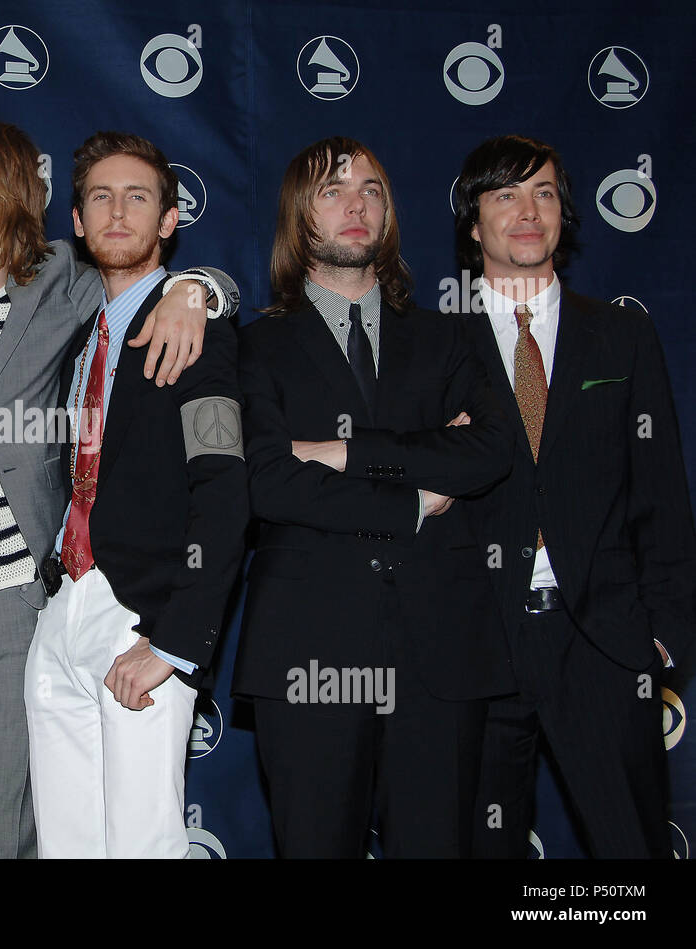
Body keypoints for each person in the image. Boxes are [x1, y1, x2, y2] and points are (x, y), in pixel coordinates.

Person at [0, 117, 238, 858]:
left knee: (21, 832)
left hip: (28, 607)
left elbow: (165, 275)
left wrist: (198, 288)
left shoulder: (62, 282)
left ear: (13, 191)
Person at [233, 136, 513, 857]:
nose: (355, 204)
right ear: (301, 215)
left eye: (371, 191)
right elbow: (265, 478)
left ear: (388, 215)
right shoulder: (253, 346)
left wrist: (344, 451)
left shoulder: (455, 338)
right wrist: (414, 497)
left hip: (441, 650)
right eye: (332, 190)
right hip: (307, 650)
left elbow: (486, 451)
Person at [455, 134, 696, 858]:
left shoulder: (622, 335)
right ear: (473, 223)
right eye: (506, 194)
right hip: (475, 645)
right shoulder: (433, 343)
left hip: (604, 642)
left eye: (546, 193)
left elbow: (661, 489)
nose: (528, 211)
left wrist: (660, 634)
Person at [23, 131, 246, 858]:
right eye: (100, 198)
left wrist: (178, 643)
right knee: (68, 845)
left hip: (143, 614)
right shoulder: (80, 337)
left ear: (169, 219)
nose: (118, 212)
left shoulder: (197, 330)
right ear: (78, 223)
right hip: (62, 612)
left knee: (144, 845)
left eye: (138, 197)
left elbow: (224, 489)